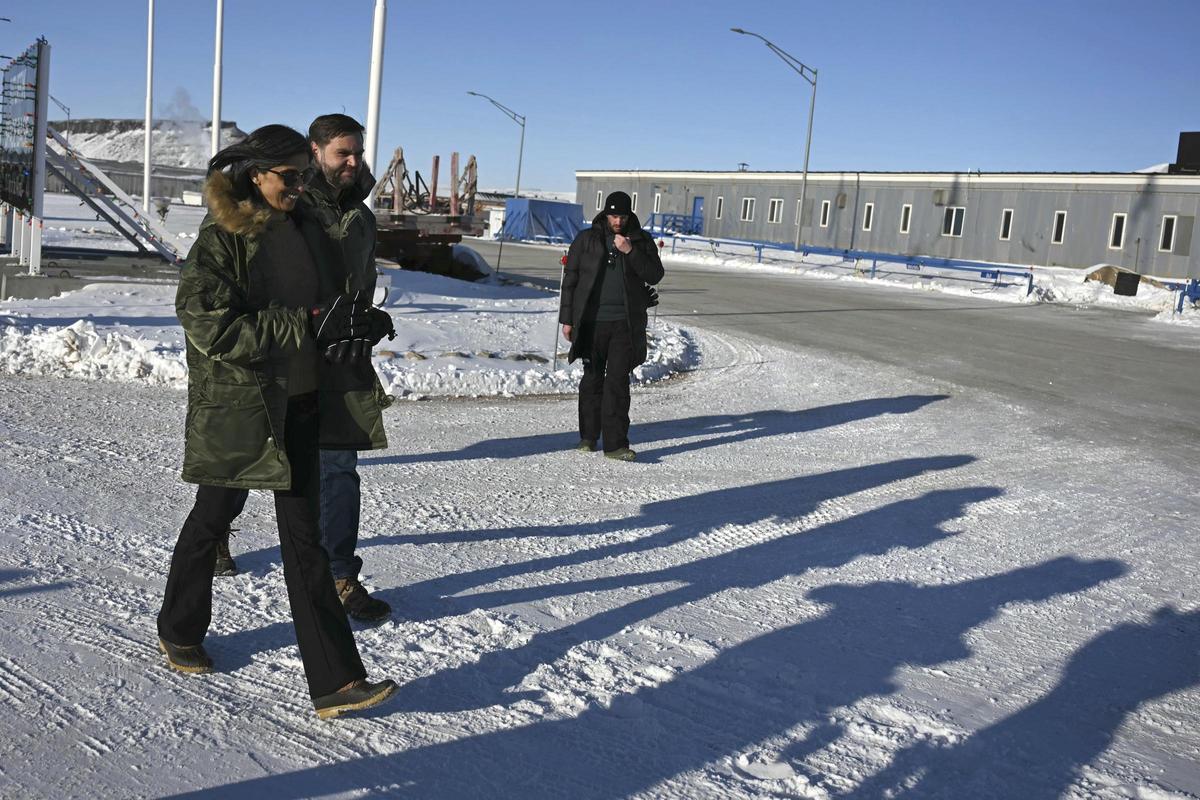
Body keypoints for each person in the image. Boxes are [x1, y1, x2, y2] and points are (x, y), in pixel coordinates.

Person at [158, 125, 396, 719]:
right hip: (246, 408)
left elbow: (328, 303)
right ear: (253, 174)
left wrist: (358, 322)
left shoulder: (309, 227)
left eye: (302, 176)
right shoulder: (222, 237)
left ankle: (336, 683)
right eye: (288, 176)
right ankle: (179, 627)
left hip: (305, 401)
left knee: (307, 542)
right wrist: (305, 326)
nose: (298, 185)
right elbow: (210, 325)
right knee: (214, 517)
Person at [212, 114, 394, 625]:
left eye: (358, 152)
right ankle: (215, 531)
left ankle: (339, 576)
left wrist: (366, 315)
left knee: (339, 467)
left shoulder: (360, 214)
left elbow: (358, 276)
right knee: (256, 452)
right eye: (344, 153)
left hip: (340, 354)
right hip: (290, 345)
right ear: (315, 152)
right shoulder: (288, 205)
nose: (355, 162)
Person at [559, 191, 664, 460]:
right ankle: (588, 437)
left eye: (622, 216)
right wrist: (567, 320)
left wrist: (630, 251)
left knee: (617, 383)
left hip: (625, 325)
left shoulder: (640, 240)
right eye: (613, 215)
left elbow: (654, 274)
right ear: (605, 214)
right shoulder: (586, 240)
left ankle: (616, 445)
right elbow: (570, 280)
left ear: (629, 216)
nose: (618, 220)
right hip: (592, 323)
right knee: (592, 380)